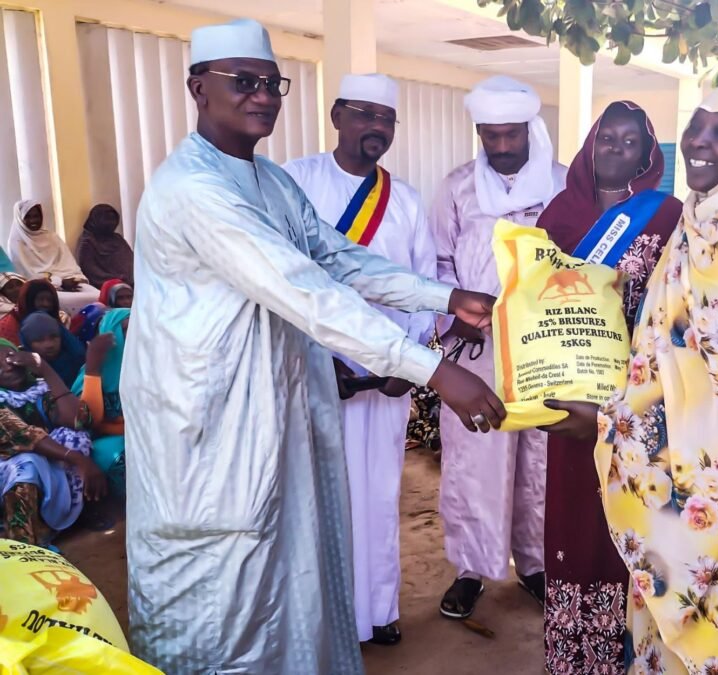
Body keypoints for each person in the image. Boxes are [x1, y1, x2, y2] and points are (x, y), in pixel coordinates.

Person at [123, 19, 505, 674]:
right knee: (223, 581)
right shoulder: (195, 187)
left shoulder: (269, 181)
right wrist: (434, 369)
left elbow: (339, 260)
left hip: (276, 404)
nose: (263, 95)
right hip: (207, 422)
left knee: (287, 563)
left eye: (272, 83)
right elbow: (306, 291)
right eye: (244, 81)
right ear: (198, 88)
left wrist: (443, 298)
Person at [547, 82, 718, 674]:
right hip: (681, 445)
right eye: (696, 126)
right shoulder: (702, 215)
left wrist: (615, 425)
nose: (700, 141)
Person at [284, 73, 435, 647]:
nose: (376, 127)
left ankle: (377, 610)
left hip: (386, 378)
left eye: (387, 119)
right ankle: (319, 617)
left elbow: (427, 284)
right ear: (337, 115)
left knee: (378, 495)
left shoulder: (407, 200)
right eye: (365, 114)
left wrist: (409, 362)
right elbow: (282, 278)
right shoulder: (296, 180)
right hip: (315, 374)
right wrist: (314, 357)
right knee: (315, 497)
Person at [536, 100, 682, 672]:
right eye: (606, 139)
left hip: (636, 398)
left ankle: (626, 655)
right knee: (573, 518)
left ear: (648, 155)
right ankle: (572, 657)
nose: (615, 150)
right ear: (589, 145)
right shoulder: (560, 214)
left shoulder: (666, 217)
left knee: (625, 519)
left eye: (630, 142)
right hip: (567, 393)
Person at [430, 75, 567, 619]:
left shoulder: (562, 185)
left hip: (544, 347)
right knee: (474, 460)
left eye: (512, 135)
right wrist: (451, 318)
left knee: (540, 460)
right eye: (491, 136)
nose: (503, 147)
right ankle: (471, 568)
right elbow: (437, 264)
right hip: (476, 350)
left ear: (531, 129)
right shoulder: (457, 187)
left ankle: (534, 564)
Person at [0, 339, 106, 546]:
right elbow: (26, 436)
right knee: (26, 464)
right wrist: (78, 460)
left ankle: (70, 515)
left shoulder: (37, 390)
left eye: (10, 358)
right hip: (9, 468)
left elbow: (79, 420)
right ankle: (22, 543)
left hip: (42, 461)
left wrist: (45, 369)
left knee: (74, 437)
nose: (7, 367)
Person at [72, 308, 130, 497]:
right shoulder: (92, 371)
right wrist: (93, 369)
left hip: (149, 435)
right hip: (109, 441)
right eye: (127, 331)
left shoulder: (155, 365)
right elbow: (89, 420)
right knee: (120, 456)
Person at [7, 201, 99, 314]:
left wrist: (75, 279)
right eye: (28, 217)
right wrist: (59, 282)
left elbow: (68, 263)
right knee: (64, 300)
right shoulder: (16, 242)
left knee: (97, 295)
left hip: (66, 281)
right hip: (41, 289)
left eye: (36, 216)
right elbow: (28, 276)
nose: (33, 221)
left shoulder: (52, 237)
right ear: (20, 219)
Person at [18, 312, 86, 387]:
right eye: (39, 340)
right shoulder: (21, 372)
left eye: (53, 337)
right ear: (28, 343)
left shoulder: (78, 363)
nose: (49, 345)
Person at [76, 204, 134, 288]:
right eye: (107, 219)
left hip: (130, 283)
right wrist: (117, 280)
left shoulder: (117, 239)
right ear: (95, 220)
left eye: (113, 219)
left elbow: (131, 261)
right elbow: (91, 271)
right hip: (107, 287)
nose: (111, 223)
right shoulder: (88, 242)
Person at [0, 279, 72, 345]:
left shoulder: (60, 319)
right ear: (29, 301)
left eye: (49, 300)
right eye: (40, 300)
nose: (45, 304)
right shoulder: (6, 326)